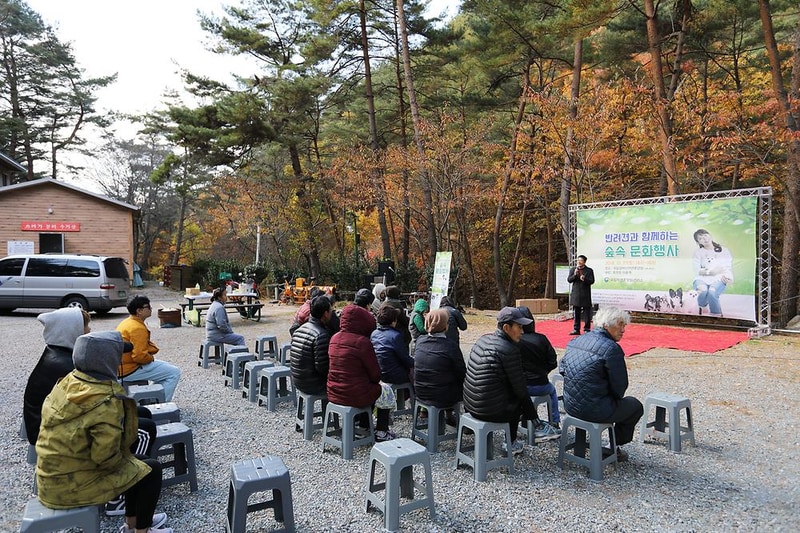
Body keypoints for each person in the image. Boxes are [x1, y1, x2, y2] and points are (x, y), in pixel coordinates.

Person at [24, 307, 157, 517]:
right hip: (67, 449)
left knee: (141, 417)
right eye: (85, 326)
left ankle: (133, 485)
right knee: (144, 431)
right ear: (71, 330)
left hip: (62, 437)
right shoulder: (68, 366)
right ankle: (121, 497)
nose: (88, 331)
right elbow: (104, 451)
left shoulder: (66, 361)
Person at [36, 331, 172, 533]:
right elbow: (105, 458)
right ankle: (141, 530)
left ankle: (131, 524)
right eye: (117, 355)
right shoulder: (105, 400)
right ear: (106, 361)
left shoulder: (69, 382)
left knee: (138, 463)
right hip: (72, 486)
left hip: (52, 478)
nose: (120, 359)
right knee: (150, 470)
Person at [463, 307, 560, 456]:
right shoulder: (509, 349)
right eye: (519, 327)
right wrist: (535, 420)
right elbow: (520, 389)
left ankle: (533, 429)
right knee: (517, 400)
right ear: (506, 328)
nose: (522, 331)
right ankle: (511, 442)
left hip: (470, 405)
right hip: (489, 411)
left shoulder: (483, 339)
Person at [559, 307, 643, 461]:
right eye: (620, 324)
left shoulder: (576, 340)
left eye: (624, 325)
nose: (623, 330)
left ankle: (594, 444)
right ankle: (614, 445)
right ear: (606, 325)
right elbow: (620, 387)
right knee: (635, 406)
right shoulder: (612, 349)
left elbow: (562, 369)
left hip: (571, 405)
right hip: (595, 410)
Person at [327, 303, 395, 442]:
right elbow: (375, 375)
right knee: (384, 390)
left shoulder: (334, 338)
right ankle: (382, 431)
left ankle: (363, 425)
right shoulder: (362, 342)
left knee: (364, 387)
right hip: (355, 395)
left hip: (333, 392)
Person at [117, 295, 182, 402]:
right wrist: (150, 358)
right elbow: (139, 356)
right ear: (139, 311)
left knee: (166, 367)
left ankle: (154, 397)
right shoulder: (137, 328)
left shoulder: (128, 322)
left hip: (123, 367)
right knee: (174, 372)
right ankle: (161, 405)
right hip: (131, 369)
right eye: (148, 306)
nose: (151, 308)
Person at [413, 308, 465, 425]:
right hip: (442, 395)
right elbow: (461, 371)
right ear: (445, 326)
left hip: (420, 391)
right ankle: (455, 417)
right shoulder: (450, 345)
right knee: (457, 381)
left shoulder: (420, 341)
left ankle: (434, 413)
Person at [517, 306, 560, 428]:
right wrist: (543, 371)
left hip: (522, 386)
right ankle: (555, 421)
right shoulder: (542, 339)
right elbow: (553, 362)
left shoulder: (515, 341)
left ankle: (521, 415)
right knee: (552, 391)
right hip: (541, 384)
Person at [290, 295, 333, 397]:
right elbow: (323, 368)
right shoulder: (321, 335)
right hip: (313, 384)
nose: (332, 313)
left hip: (298, 381)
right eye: (331, 310)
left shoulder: (299, 329)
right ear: (325, 314)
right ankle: (331, 412)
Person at [692, 228, 733, 316]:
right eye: (701, 238)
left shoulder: (724, 250)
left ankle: (716, 316)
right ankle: (702, 306)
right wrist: (712, 272)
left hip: (719, 278)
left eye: (705, 235)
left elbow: (727, 267)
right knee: (702, 290)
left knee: (712, 291)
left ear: (710, 235)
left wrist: (729, 278)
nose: (705, 239)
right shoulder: (698, 253)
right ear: (698, 242)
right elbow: (697, 270)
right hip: (701, 278)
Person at [372, 303, 414, 386]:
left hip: (380, 373)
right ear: (393, 321)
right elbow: (405, 359)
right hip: (394, 375)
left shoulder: (374, 334)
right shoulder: (395, 336)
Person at [568, 254, 595, 335]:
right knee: (577, 312)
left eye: (581, 261)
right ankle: (576, 329)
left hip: (585, 294)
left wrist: (585, 279)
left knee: (587, 312)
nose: (579, 262)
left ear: (584, 262)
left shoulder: (589, 270)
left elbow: (592, 281)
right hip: (576, 294)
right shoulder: (573, 269)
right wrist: (574, 275)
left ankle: (587, 329)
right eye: (578, 260)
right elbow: (569, 280)